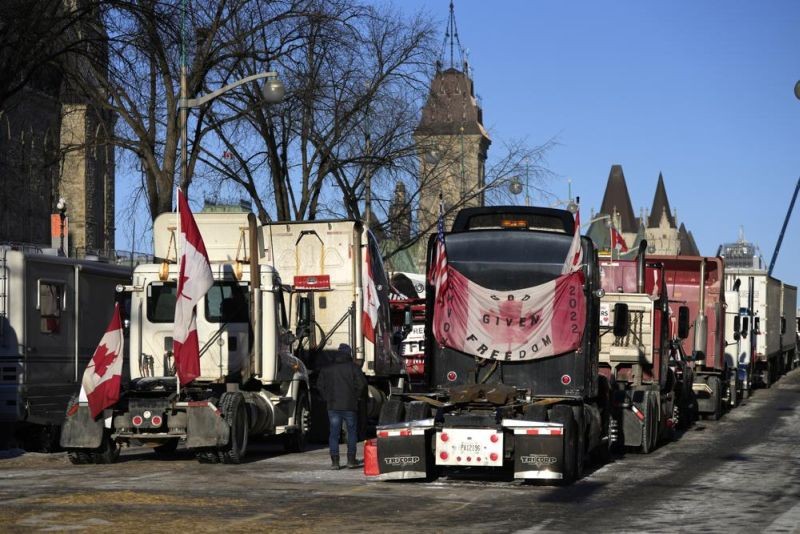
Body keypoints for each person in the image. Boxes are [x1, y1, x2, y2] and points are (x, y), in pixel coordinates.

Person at [317, 343, 367, 469]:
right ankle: (351, 460)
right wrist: (356, 397)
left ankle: (335, 462)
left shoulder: (327, 368)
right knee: (351, 433)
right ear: (349, 354)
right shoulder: (354, 368)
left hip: (333, 406)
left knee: (334, 434)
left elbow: (320, 386)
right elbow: (362, 385)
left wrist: (326, 398)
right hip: (350, 406)